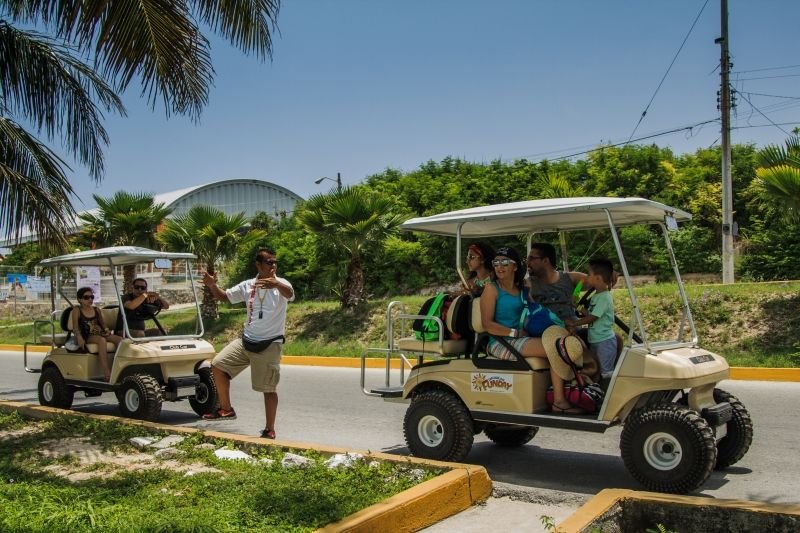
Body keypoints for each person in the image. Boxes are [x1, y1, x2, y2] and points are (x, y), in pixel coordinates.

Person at [199, 247, 295, 439]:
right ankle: (225, 409)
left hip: (269, 343)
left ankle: (269, 429)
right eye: (269, 262)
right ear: (258, 265)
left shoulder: (281, 284)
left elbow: (290, 293)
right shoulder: (248, 285)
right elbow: (224, 296)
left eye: (275, 262)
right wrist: (211, 284)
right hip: (246, 341)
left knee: (268, 389)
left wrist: (275, 283)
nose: (273, 265)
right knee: (218, 365)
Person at [480, 246, 583, 414]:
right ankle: (559, 401)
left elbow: (534, 310)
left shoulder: (522, 289)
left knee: (561, 344)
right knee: (555, 348)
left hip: (522, 337)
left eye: (505, 262)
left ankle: (572, 393)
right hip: (501, 341)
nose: (500, 266)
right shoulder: (492, 289)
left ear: (515, 267)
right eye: (496, 262)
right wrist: (513, 333)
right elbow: (487, 325)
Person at [565, 258, 617, 380]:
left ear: (598, 278)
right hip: (595, 339)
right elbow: (590, 313)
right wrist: (576, 305)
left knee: (606, 372)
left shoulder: (604, 297)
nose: (586, 277)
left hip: (604, 341)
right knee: (596, 369)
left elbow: (592, 318)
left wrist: (575, 323)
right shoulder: (597, 296)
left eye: (589, 274)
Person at [71, 287, 123, 381]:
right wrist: (79, 337)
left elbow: (103, 324)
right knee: (101, 340)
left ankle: (120, 367)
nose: (90, 299)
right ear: (79, 299)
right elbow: (75, 327)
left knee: (119, 340)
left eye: (92, 297)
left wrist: (107, 330)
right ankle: (106, 371)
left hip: (100, 333)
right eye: (86, 297)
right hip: (87, 335)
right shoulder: (77, 310)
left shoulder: (96, 310)